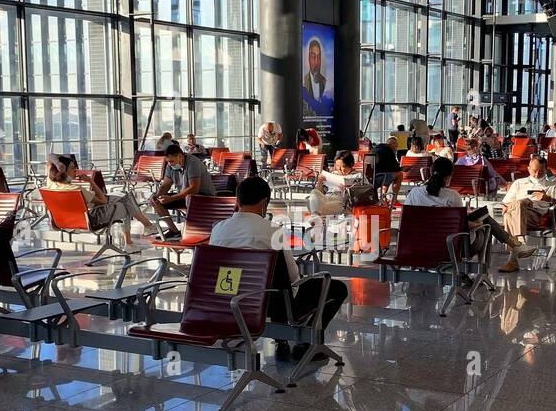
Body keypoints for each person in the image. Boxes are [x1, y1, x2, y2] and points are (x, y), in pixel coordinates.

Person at [209, 177, 348, 362]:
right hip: (271, 304)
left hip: (228, 301)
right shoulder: (272, 231)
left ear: (237, 200)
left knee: (273, 285)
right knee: (336, 288)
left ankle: (281, 340)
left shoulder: (218, 229)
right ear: (264, 202)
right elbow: (292, 277)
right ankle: (307, 344)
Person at [405, 157, 535, 273]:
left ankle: (515, 246)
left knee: (483, 217)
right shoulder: (452, 196)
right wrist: (474, 224)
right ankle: (488, 267)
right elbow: (457, 226)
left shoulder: (414, 193)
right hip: (451, 249)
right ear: (449, 176)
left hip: (417, 247)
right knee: (485, 225)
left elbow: (409, 221)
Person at [45, 154, 151, 250]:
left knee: (125, 198)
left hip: (64, 221)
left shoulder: (50, 185)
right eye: (72, 168)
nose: (76, 170)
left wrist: (58, 164)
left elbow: (50, 156)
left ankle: (136, 236)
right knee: (125, 204)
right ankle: (135, 237)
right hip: (91, 220)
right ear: (63, 171)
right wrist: (91, 181)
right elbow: (103, 201)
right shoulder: (76, 189)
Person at [500, 157, 556, 272]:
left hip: (536, 215)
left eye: (541, 171)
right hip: (517, 212)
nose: (537, 174)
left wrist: (549, 198)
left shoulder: (551, 185)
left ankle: (518, 247)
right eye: (534, 171)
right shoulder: (519, 183)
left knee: (517, 207)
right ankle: (517, 251)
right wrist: (514, 205)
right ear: (528, 169)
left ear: (546, 170)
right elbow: (506, 203)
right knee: (515, 208)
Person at [152, 142, 217, 239]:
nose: (170, 164)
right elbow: (166, 185)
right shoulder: (170, 166)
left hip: (203, 196)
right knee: (156, 202)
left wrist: (171, 198)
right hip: (186, 195)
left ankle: (194, 231)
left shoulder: (192, 163)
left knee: (189, 198)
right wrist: (157, 196)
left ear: (180, 157)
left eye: (172, 161)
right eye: (168, 161)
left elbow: (193, 189)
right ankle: (174, 231)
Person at [372, 136, 402, 203]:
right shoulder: (389, 151)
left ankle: (384, 197)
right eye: (396, 146)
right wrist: (403, 168)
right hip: (379, 178)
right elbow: (395, 168)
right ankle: (394, 200)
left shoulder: (375, 149)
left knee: (389, 174)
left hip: (370, 179)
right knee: (399, 174)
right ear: (391, 144)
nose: (396, 149)